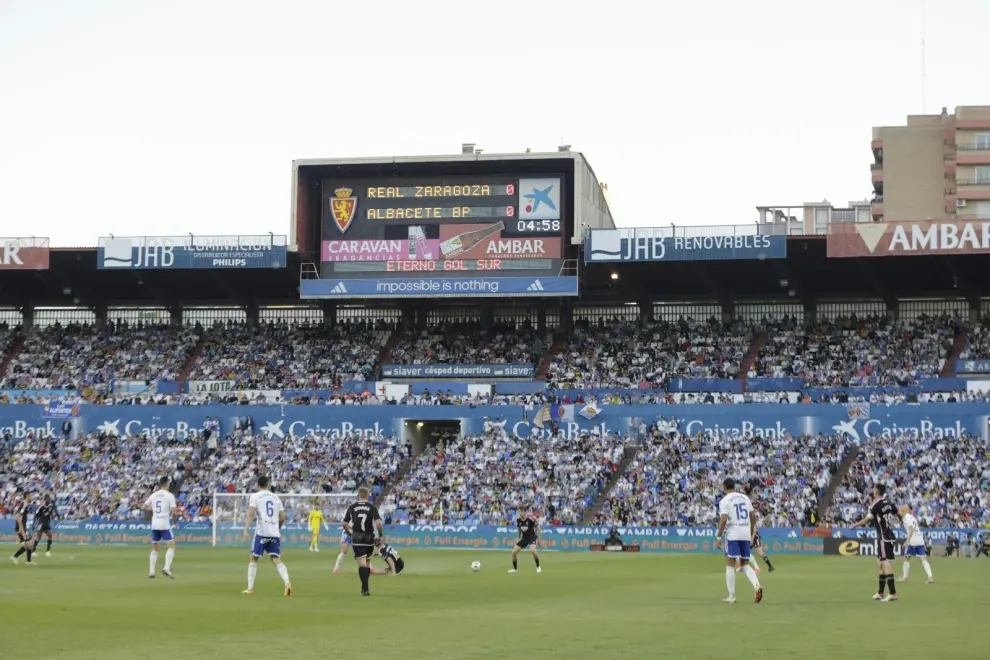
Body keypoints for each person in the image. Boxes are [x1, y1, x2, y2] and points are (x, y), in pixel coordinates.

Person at [714, 478, 763, 604]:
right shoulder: (744, 498)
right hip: (745, 534)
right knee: (745, 564)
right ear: (734, 487)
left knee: (730, 565)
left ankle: (732, 596)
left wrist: (718, 536)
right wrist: (751, 530)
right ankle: (757, 585)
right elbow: (753, 516)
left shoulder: (724, 501)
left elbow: (723, 520)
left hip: (733, 535)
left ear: (724, 488)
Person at [242, 475, 292, 596]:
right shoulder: (275, 497)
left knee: (253, 558)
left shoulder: (255, 496)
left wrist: (246, 530)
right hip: (275, 533)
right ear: (268, 484)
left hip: (262, 532)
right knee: (276, 559)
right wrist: (277, 528)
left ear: (258, 485)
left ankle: (250, 589)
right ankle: (287, 583)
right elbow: (283, 517)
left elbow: (251, 514)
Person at [849, 484, 900, 602]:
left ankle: (892, 593)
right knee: (880, 563)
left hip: (883, 537)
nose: (872, 491)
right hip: (888, 534)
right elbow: (897, 513)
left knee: (885, 562)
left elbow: (866, 520)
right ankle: (880, 593)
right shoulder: (889, 502)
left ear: (876, 491)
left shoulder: (876, 505)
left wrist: (855, 525)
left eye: (873, 489)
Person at [342, 486, 384, 596]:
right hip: (369, 538)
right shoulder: (372, 507)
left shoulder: (352, 507)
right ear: (368, 495)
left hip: (357, 537)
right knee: (367, 562)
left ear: (358, 495)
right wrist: (380, 535)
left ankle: (365, 588)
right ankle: (365, 587)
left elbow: (345, 524)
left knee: (362, 564)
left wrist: (349, 534)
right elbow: (379, 523)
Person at [143, 477, 177, 579]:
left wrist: (153, 509)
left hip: (155, 523)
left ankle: (151, 572)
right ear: (167, 484)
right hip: (164, 523)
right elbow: (174, 511)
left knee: (155, 547)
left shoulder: (154, 495)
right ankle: (166, 568)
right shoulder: (170, 496)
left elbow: (143, 507)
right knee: (171, 545)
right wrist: (175, 520)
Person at [897, 505, 933, 583]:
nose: (898, 512)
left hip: (913, 540)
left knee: (906, 557)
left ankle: (905, 577)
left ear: (903, 511)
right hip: (920, 539)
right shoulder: (911, 517)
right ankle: (930, 577)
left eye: (899, 510)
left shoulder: (907, 518)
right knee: (922, 558)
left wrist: (907, 540)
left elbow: (911, 529)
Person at [10, 495, 35, 566]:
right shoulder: (24, 504)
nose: (32, 497)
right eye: (31, 496)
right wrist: (20, 527)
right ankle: (15, 556)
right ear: (27, 497)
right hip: (21, 527)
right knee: (29, 543)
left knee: (29, 544)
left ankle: (27, 561)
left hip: (22, 527)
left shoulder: (26, 504)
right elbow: (18, 515)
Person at [31, 494, 58, 559]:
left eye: (49, 499)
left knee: (50, 535)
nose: (49, 500)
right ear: (45, 500)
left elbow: (51, 515)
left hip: (47, 524)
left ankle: (48, 551)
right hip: (41, 524)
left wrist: (53, 518)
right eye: (48, 499)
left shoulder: (50, 507)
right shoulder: (41, 507)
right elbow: (36, 515)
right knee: (38, 537)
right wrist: (33, 524)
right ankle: (33, 551)